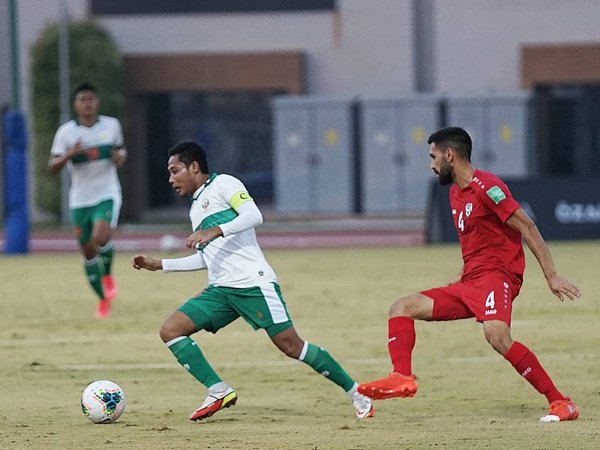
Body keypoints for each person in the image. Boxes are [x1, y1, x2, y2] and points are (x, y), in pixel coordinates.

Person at [131, 141, 373, 421]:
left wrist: (215, 231)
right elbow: (208, 258)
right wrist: (159, 265)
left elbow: (254, 215)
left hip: (252, 284)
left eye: (175, 171)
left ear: (194, 167)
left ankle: (358, 394)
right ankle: (218, 390)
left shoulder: (224, 184)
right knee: (171, 330)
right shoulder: (196, 207)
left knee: (291, 346)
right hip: (221, 290)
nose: (171, 179)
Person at [358, 126, 581, 423]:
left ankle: (561, 402)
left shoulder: (488, 187)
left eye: (433, 156)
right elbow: (476, 241)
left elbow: (527, 227)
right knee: (401, 307)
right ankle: (402, 377)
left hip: (498, 276)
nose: (431, 164)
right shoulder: (454, 194)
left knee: (497, 335)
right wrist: (462, 277)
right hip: (470, 282)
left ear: (450, 155)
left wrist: (551, 276)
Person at [49, 83, 127, 318]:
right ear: (76, 105)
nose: (87, 103)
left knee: (101, 236)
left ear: (97, 102)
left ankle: (108, 274)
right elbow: (52, 167)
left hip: (107, 193)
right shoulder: (66, 133)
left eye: (90, 98)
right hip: (80, 199)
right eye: (82, 99)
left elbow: (121, 153)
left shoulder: (111, 125)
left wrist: (118, 157)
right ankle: (102, 299)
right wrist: (68, 156)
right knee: (88, 251)